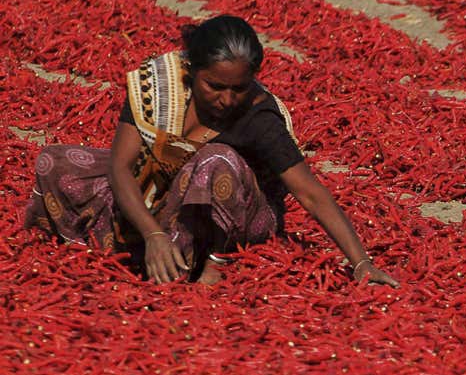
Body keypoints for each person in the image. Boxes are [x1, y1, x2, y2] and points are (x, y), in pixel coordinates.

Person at [25, 15, 397, 286]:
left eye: (238, 88)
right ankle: (151, 243)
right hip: (166, 190)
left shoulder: (259, 115)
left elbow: (310, 193)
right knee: (55, 162)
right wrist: (153, 233)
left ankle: (208, 261)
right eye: (215, 86)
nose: (227, 99)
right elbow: (121, 167)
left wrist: (361, 262)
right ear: (191, 70)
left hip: (241, 212)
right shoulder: (160, 85)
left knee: (215, 161)